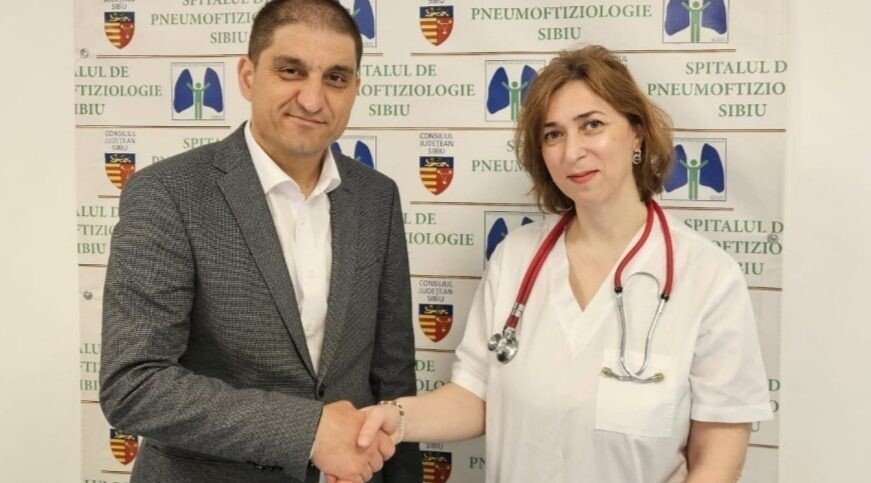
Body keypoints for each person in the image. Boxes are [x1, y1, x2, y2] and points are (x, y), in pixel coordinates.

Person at [354, 45, 773, 483]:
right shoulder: (515, 258)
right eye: (553, 134)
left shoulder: (707, 276)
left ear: (637, 133)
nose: (572, 151)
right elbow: (475, 397)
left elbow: (718, 461)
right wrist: (396, 418)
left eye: (592, 125)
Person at [99, 1, 421, 482]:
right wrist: (310, 431)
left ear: (355, 88)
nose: (312, 99)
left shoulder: (376, 196)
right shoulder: (168, 192)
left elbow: (393, 376)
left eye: (335, 78)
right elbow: (134, 384)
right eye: (291, 71)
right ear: (248, 76)